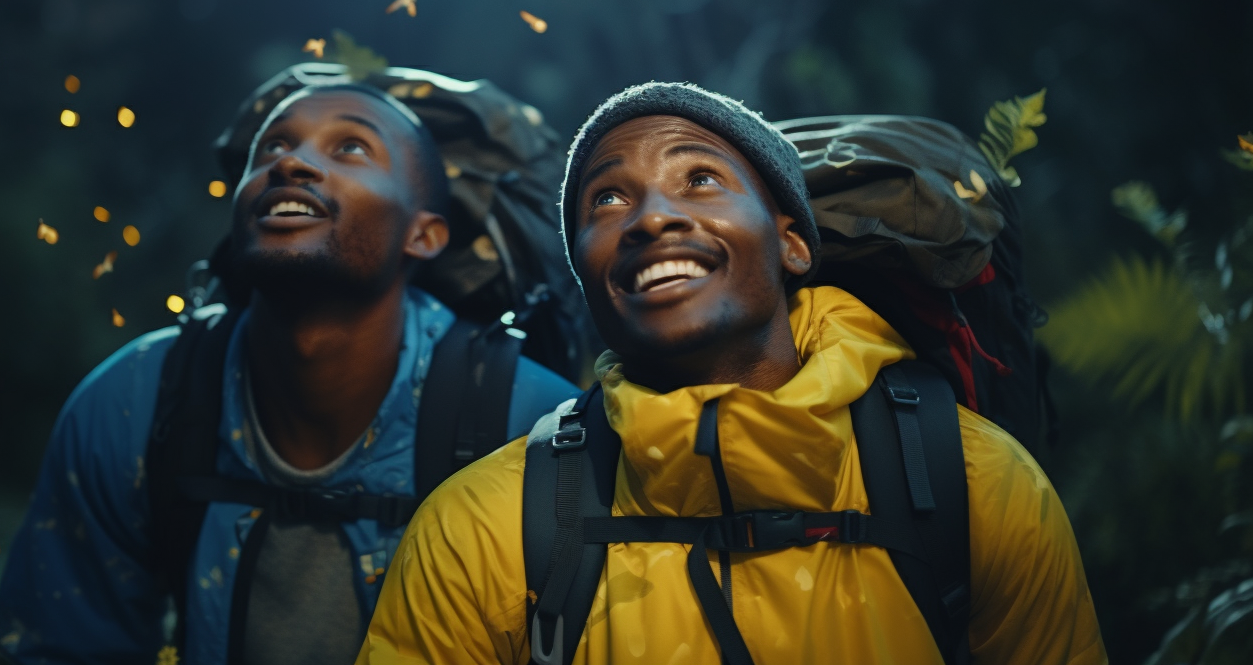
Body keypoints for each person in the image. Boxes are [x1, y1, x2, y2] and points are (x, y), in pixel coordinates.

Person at [357, 82, 1107, 665]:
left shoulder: (973, 485)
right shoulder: (483, 527)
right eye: (608, 198)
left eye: (700, 180)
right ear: (587, 277)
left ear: (792, 245)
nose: (650, 218)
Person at [0, 81, 581, 664]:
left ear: (423, 235)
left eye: (350, 148)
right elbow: (60, 647)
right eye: (272, 147)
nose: (291, 162)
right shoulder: (135, 405)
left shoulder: (530, 432)